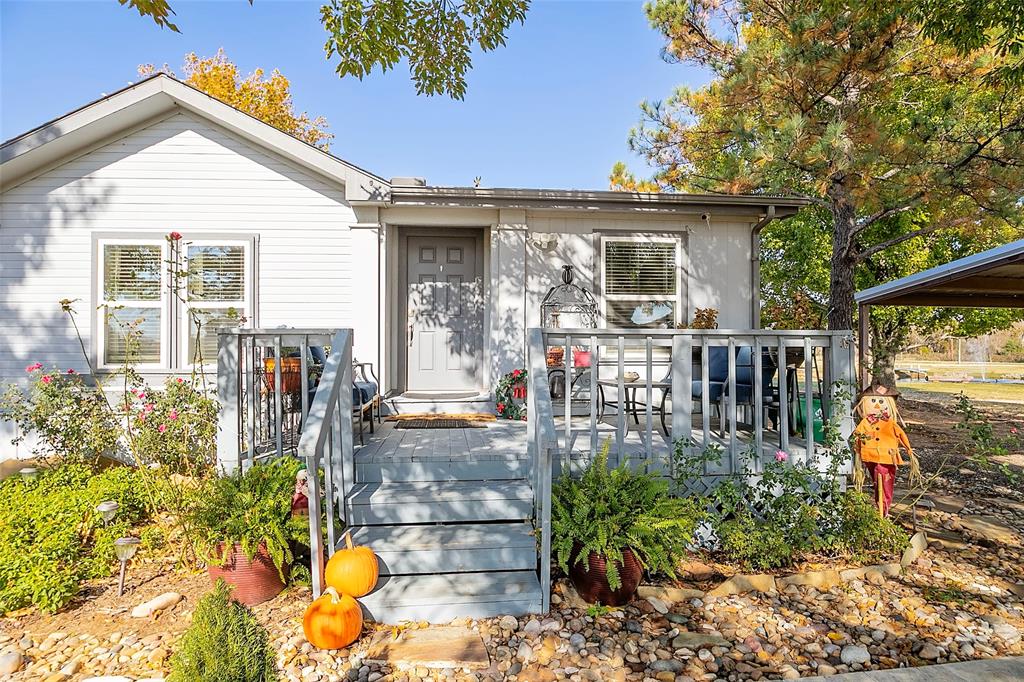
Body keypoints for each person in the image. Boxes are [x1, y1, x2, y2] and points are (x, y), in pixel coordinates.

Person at [852, 384, 921, 515]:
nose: (877, 405)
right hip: (870, 455)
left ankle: (883, 509)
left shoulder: (890, 423)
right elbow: (857, 436)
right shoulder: (866, 423)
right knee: (877, 481)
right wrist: (858, 452)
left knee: (885, 480)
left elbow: (901, 435)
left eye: (881, 401)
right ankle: (881, 510)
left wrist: (909, 451)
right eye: (873, 401)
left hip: (887, 457)